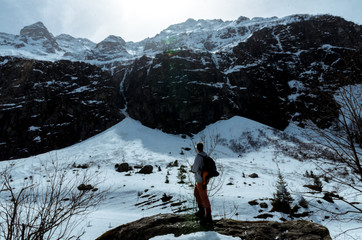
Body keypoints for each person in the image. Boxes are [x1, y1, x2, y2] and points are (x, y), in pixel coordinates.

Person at [191, 142, 212, 224]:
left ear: (197, 148)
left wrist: (192, 168)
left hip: (200, 180)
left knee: (204, 197)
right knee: (196, 193)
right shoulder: (205, 155)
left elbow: (194, 169)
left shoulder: (198, 157)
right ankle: (201, 211)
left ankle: (208, 216)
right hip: (204, 179)